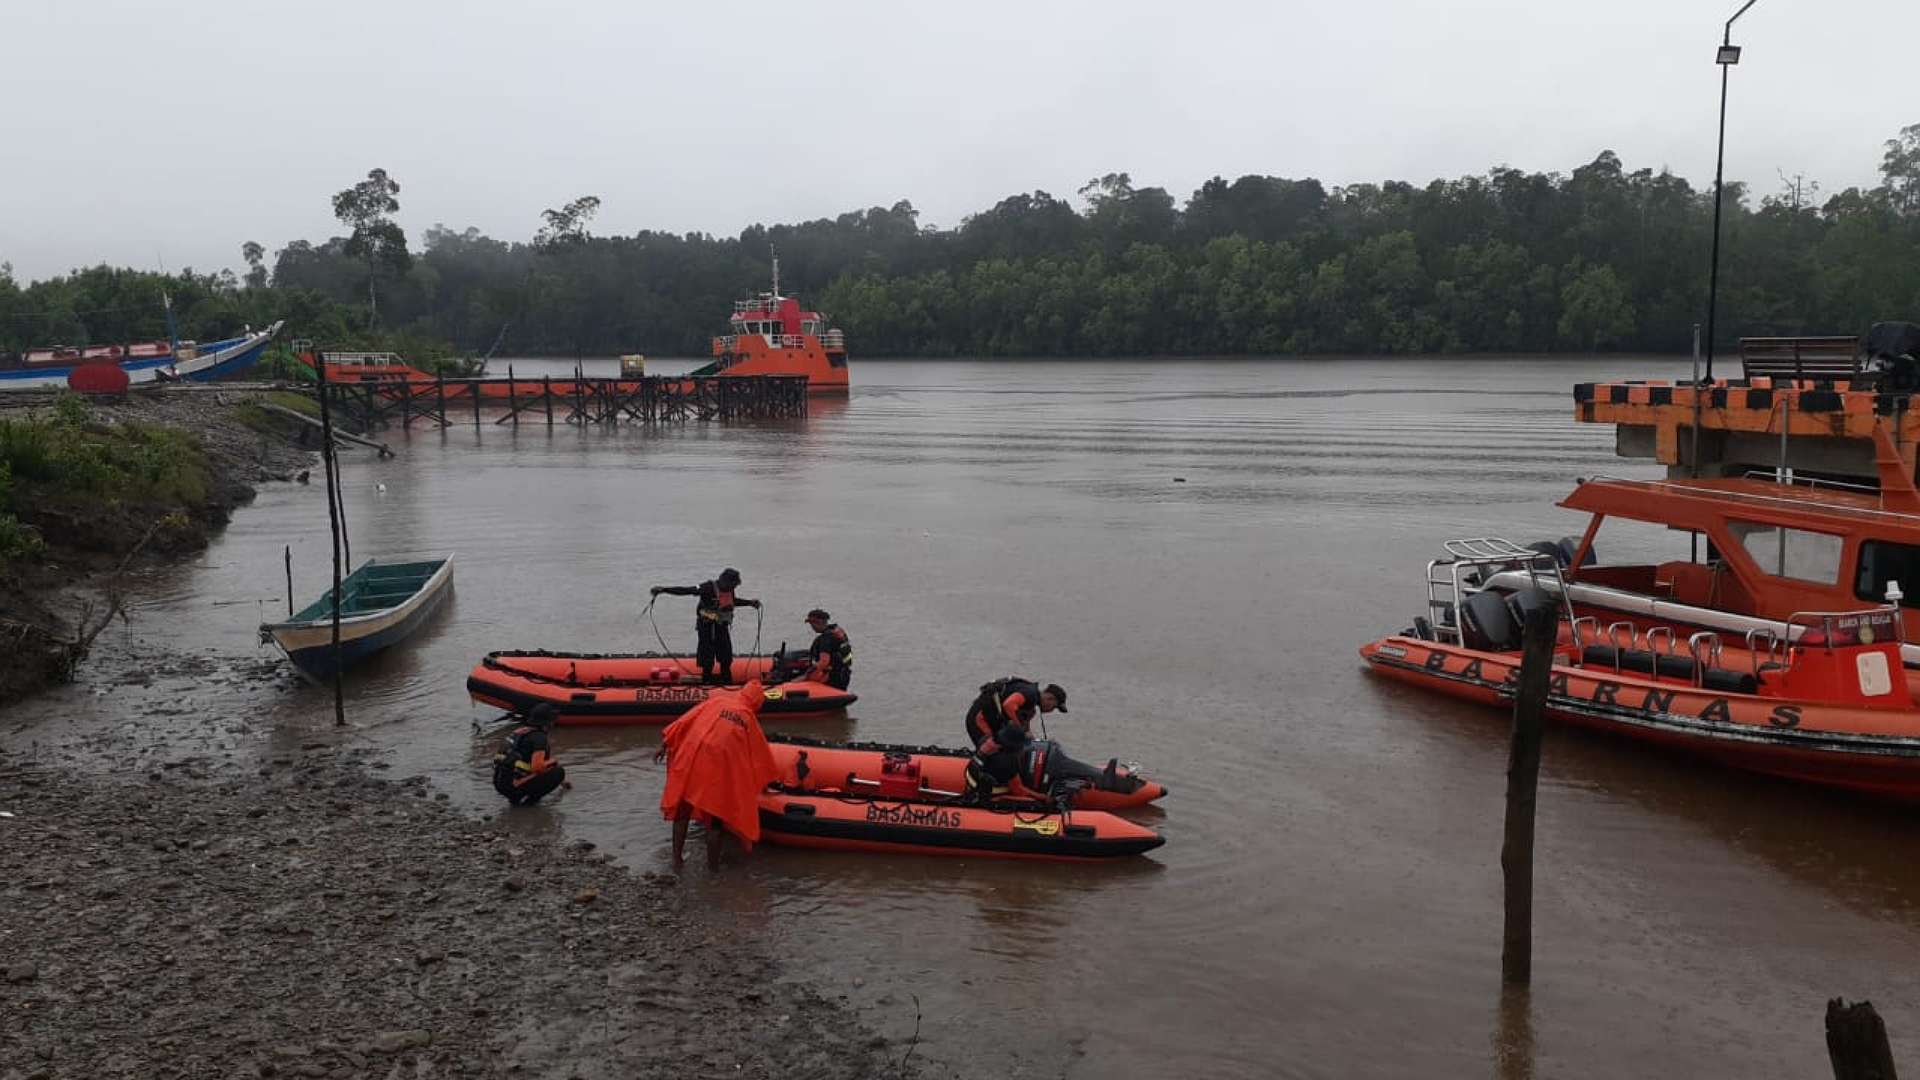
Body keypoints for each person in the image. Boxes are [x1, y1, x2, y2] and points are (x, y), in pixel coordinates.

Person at [655, 679, 780, 870]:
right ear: (757, 703)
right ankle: (713, 868)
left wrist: (665, 744)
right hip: (715, 773)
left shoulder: (717, 701)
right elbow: (760, 758)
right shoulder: (748, 719)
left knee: (682, 812)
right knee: (715, 821)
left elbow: (686, 720)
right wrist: (766, 783)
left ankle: (676, 860)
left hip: (690, 760)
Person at [963, 678, 1067, 800]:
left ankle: (1002, 778)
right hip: (980, 720)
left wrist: (1028, 737)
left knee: (997, 750)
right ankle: (991, 786)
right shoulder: (1030, 694)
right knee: (993, 754)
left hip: (989, 721)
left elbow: (1024, 725)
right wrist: (1018, 732)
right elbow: (1009, 705)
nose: (1051, 711)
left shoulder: (1031, 705)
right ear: (1050, 698)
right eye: (1053, 707)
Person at [651, 568, 761, 684]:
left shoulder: (730, 589)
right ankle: (706, 682)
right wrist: (664, 590)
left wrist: (750, 603)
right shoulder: (707, 588)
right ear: (724, 581)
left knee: (726, 657)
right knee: (707, 658)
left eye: (735, 586)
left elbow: (732, 601)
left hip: (721, 626)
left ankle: (727, 682)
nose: (733, 588)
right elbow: (687, 590)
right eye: (732, 585)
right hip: (706, 627)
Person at [492, 704, 568, 805]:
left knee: (550, 767)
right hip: (513, 785)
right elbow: (538, 767)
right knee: (559, 771)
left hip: (499, 783)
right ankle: (529, 805)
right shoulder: (539, 738)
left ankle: (515, 800)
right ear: (549, 721)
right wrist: (555, 763)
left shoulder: (520, 732)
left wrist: (563, 783)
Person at [802, 608, 853, 690]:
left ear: (820, 622)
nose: (812, 627)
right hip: (844, 675)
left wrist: (806, 676)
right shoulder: (838, 632)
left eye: (813, 623)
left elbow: (824, 662)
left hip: (832, 678)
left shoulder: (826, 639)